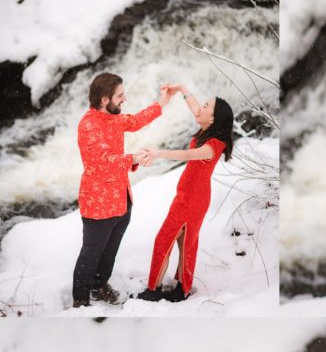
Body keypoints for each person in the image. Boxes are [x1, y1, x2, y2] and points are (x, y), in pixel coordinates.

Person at [73, 73, 173, 309]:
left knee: (109, 253)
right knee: (90, 255)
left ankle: (99, 286)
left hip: (121, 199)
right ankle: (80, 302)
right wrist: (134, 158)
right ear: (105, 100)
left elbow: (136, 121)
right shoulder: (88, 125)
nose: (124, 99)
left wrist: (163, 102)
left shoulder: (113, 118)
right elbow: (103, 160)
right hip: (98, 204)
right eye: (120, 95)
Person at [135, 87, 235, 302]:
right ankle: (183, 286)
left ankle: (155, 290)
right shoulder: (206, 130)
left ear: (214, 118)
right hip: (186, 196)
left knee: (167, 241)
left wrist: (157, 153)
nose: (200, 109)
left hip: (192, 200)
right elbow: (195, 108)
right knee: (183, 242)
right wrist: (182, 89)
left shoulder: (213, 145)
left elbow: (187, 154)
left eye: (206, 107)